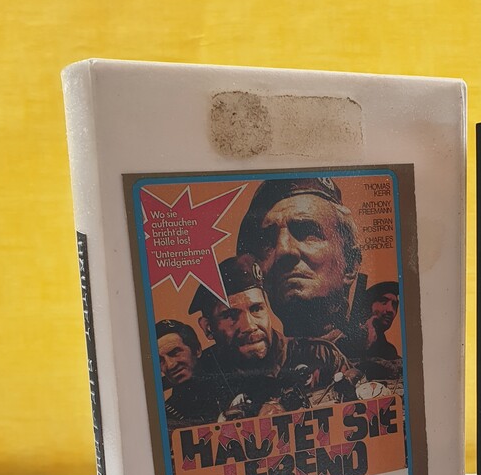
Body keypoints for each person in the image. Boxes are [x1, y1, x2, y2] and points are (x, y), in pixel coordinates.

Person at [188, 254, 357, 416]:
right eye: (231, 315)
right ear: (208, 328)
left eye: (256, 309)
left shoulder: (320, 356)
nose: (249, 326)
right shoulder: (198, 377)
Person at [235, 177, 362, 344]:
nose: (283, 250)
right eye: (268, 242)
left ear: (350, 265)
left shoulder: (383, 359)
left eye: (307, 232)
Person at [155, 319, 223, 427]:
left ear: (197, 350)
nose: (170, 365)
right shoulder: (166, 416)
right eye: (160, 360)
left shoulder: (230, 386)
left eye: (175, 353)